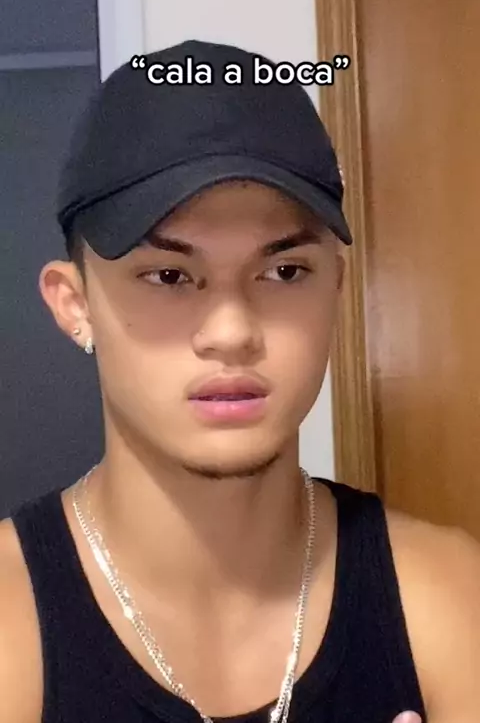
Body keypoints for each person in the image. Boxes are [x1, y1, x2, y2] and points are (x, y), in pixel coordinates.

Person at [0, 41, 478, 723]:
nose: (231, 331)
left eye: (284, 272)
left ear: (335, 287)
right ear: (75, 305)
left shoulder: (449, 598)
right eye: (169, 275)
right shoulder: (11, 624)